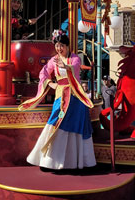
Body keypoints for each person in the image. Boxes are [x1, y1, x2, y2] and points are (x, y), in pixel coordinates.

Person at [18, 30, 96, 170]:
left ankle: (76, 162)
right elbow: (44, 73)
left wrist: (65, 67)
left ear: (67, 47)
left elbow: (75, 68)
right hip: (61, 98)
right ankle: (50, 161)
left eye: (62, 46)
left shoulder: (75, 58)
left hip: (76, 98)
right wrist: (50, 83)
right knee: (56, 122)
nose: (59, 49)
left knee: (76, 127)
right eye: (57, 46)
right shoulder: (53, 60)